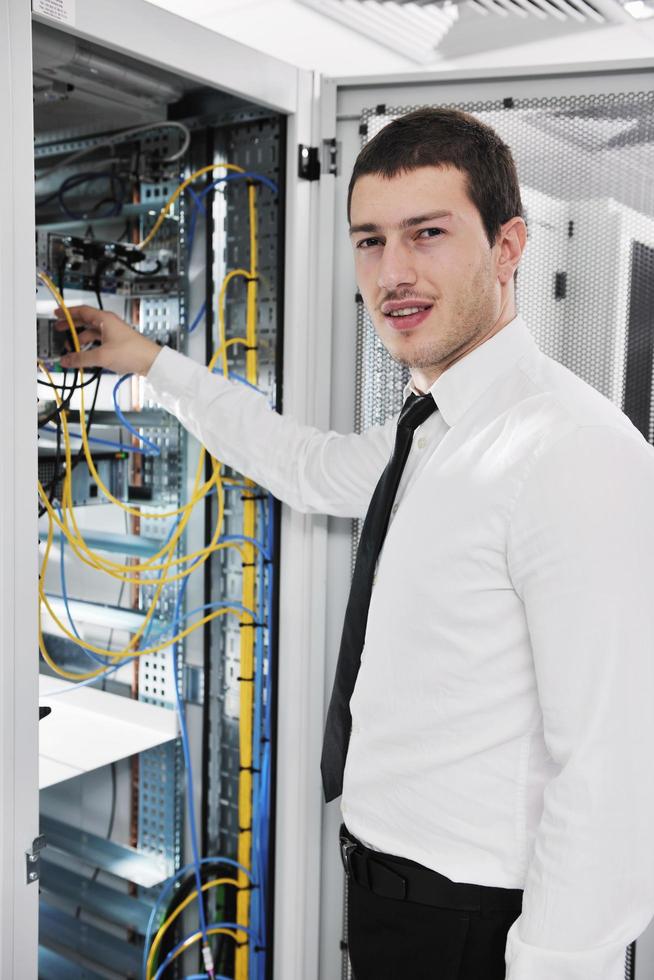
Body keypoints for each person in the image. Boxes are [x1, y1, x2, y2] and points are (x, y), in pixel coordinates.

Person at [57, 107, 654, 980]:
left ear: (510, 246)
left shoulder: (574, 452)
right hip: (390, 898)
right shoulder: (429, 436)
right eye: (370, 241)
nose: (394, 272)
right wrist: (150, 362)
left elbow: (615, 772)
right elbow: (301, 464)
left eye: (428, 234)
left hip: (480, 925)